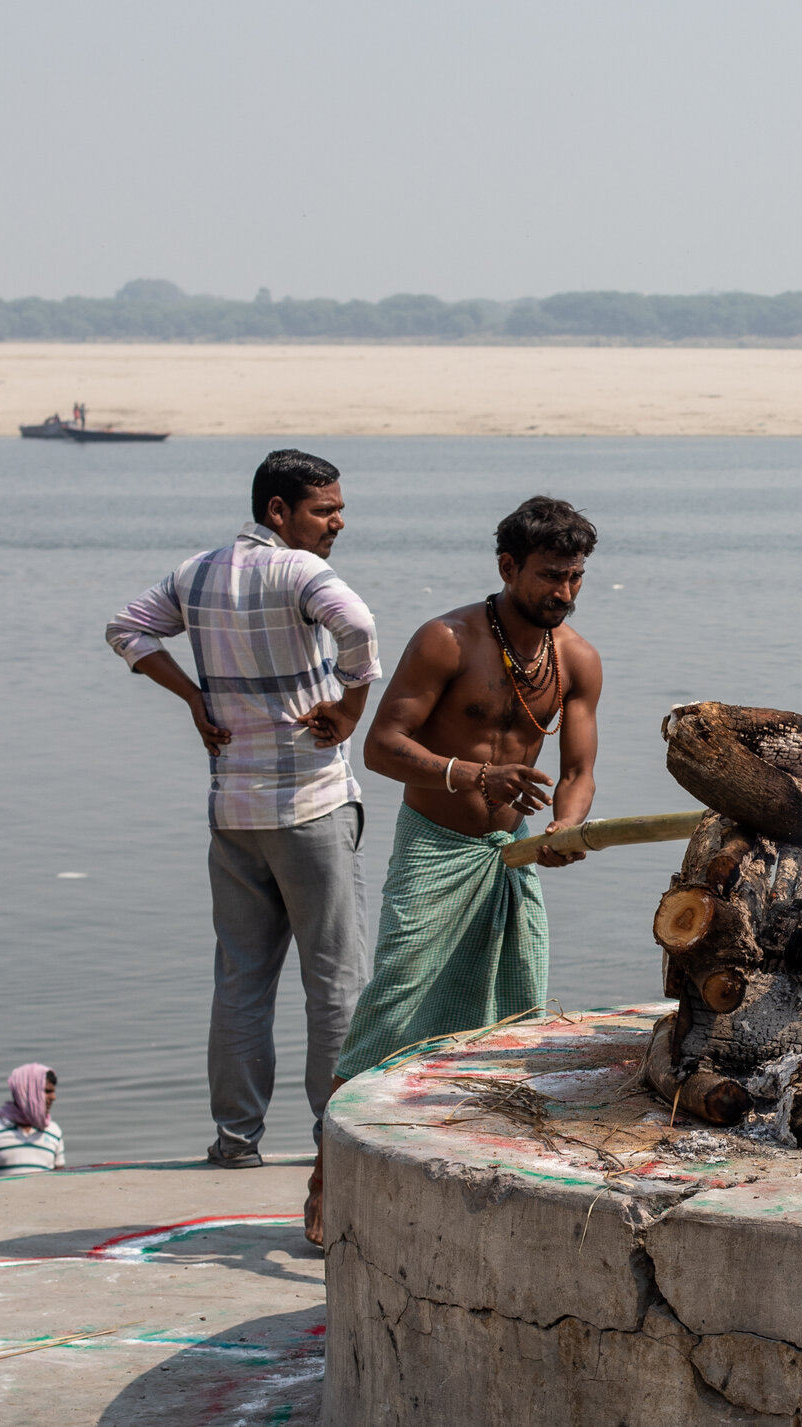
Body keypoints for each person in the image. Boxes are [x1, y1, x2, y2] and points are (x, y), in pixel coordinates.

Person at [314, 497, 603, 1247]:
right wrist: (469, 774)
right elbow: (381, 746)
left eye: (575, 577)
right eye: (549, 576)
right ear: (507, 567)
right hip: (435, 846)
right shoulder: (446, 640)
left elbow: (577, 770)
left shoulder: (576, 658)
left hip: (511, 855)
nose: (563, 593)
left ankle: (484, 1171)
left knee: (518, 1008)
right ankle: (327, 1170)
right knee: (397, 1000)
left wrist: (565, 828)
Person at [106, 449, 380, 1177]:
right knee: (335, 982)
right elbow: (359, 625)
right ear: (278, 512)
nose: (337, 522)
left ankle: (235, 1139)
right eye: (324, 510)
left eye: (338, 508)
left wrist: (193, 695)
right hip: (311, 806)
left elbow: (126, 629)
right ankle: (337, 1136)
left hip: (233, 812)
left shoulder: (195, 573)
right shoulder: (299, 572)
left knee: (241, 982)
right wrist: (350, 706)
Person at [0, 1064, 65, 1177]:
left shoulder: (54, 1131)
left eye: (53, 1092)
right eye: (47, 1091)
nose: (53, 1097)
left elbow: (59, 1181)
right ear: (26, 1092)